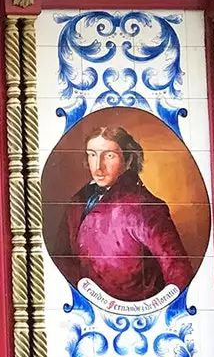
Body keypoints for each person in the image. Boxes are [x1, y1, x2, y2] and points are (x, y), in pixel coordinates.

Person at [53, 124, 194, 303]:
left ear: (128, 160)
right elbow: (60, 256)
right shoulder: (78, 201)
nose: (98, 166)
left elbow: (179, 270)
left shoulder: (146, 207)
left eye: (109, 156)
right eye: (92, 154)